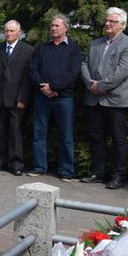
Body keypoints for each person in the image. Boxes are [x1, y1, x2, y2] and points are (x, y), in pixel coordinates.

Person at [80, 8, 128, 189]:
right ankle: (98, 172)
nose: (107, 24)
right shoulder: (95, 43)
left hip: (116, 99)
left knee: (118, 139)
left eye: (111, 21)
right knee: (96, 137)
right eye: (106, 21)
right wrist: (90, 83)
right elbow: (84, 64)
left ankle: (118, 176)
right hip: (93, 98)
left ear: (122, 24)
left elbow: (123, 71)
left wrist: (101, 86)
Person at [27, 14, 82, 181]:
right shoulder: (42, 48)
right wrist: (43, 87)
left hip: (63, 98)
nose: (53, 28)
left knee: (66, 135)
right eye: (52, 26)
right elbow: (32, 70)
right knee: (39, 133)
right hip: (42, 97)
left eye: (57, 26)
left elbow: (73, 74)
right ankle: (39, 167)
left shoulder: (73, 49)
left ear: (66, 28)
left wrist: (54, 87)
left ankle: (66, 171)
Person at [0, 20, 34, 176]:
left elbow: (27, 78)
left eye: (11, 31)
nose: (8, 33)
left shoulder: (28, 51)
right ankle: (0, 161)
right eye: (6, 31)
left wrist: (22, 98)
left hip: (16, 99)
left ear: (19, 32)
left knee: (15, 132)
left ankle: (16, 163)